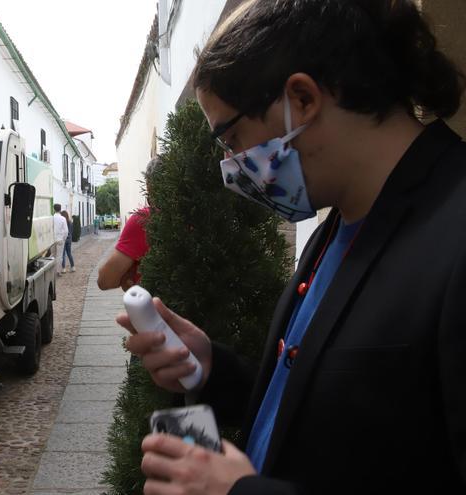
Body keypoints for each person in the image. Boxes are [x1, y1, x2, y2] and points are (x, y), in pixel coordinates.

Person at [117, 1, 466, 493]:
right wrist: (211, 369)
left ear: (301, 99)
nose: (233, 164)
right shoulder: (336, 224)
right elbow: (339, 411)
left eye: (232, 137)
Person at [97, 157, 161, 291]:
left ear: (149, 186)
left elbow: (105, 281)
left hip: (153, 309)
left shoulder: (145, 220)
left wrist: (130, 271)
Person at [52, 203, 69, 275]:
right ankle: (58, 271)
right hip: (60, 239)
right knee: (59, 256)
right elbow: (66, 231)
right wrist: (64, 238)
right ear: (60, 209)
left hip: (52, 240)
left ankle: (52, 271)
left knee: (52, 255)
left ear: (54, 209)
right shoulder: (63, 218)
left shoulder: (51, 218)